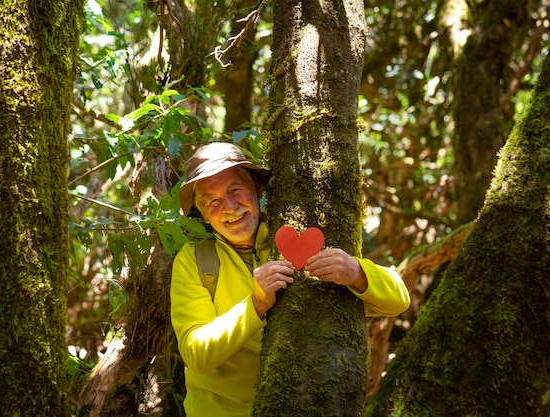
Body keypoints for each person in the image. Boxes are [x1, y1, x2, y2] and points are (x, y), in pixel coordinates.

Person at [170, 142, 410, 417]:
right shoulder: (194, 260)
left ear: (258, 189)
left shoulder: (292, 238)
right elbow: (196, 353)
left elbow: (398, 301)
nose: (229, 206)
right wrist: (256, 305)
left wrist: (357, 272)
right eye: (212, 201)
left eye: (235, 190)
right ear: (201, 213)